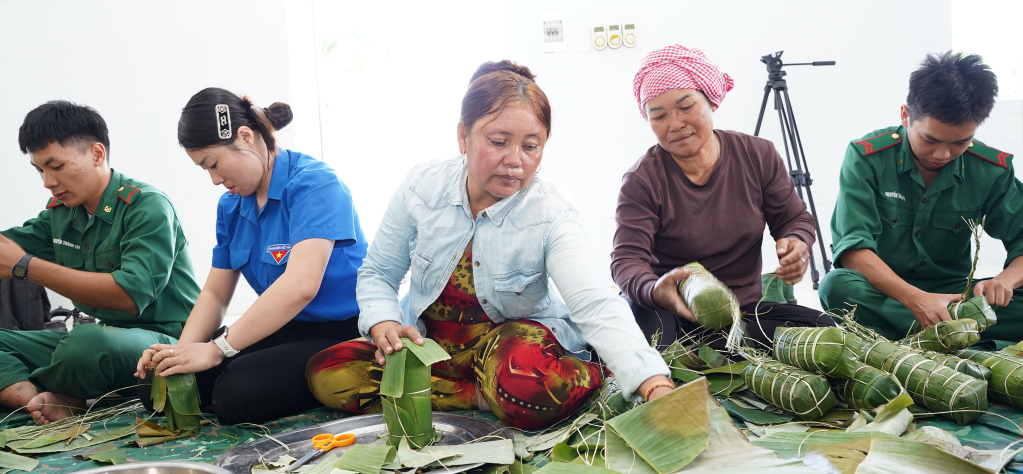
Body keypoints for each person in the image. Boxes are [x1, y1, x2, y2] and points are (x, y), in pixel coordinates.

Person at [306, 61, 673, 429]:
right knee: (329, 373)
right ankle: (479, 397)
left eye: (531, 147)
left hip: (508, 349)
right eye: (498, 142)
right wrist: (383, 320)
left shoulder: (549, 214)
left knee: (531, 383)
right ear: (463, 137)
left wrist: (653, 382)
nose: (515, 161)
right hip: (431, 345)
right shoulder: (423, 186)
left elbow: (594, 302)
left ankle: (464, 392)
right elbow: (379, 271)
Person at [134, 88, 368, 424]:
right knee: (156, 388)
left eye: (214, 164)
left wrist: (217, 350)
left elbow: (301, 286)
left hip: (339, 331)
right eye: (204, 170)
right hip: (282, 327)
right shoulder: (232, 205)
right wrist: (179, 354)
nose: (214, 180)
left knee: (237, 395)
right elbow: (216, 293)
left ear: (245, 137)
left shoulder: (315, 185)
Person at [612, 45, 832, 353]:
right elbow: (626, 261)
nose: (674, 124)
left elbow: (795, 219)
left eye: (686, 107)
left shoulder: (758, 155)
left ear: (710, 101)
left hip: (740, 312)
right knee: (638, 334)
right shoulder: (642, 180)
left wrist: (797, 243)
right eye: (658, 115)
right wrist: (654, 290)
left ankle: (718, 351)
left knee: (823, 329)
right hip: (672, 313)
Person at [0, 101, 200, 424]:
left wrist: (25, 266)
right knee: (82, 342)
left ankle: (59, 394)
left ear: (96, 154)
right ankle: (28, 396)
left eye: (56, 167)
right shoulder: (60, 214)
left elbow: (128, 296)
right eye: (40, 170)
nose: (47, 181)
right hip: (104, 339)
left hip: (165, 341)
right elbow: (4, 247)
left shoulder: (146, 206)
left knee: (87, 343)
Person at [820, 52, 1023, 348]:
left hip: (955, 296)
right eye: (930, 140)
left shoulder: (991, 169)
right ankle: (963, 337)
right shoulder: (866, 157)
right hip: (887, 293)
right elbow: (853, 250)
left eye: (960, 143)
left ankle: (914, 338)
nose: (942, 155)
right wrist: (917, 300)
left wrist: (1006, 280)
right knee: (836, 285)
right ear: (905, 115)